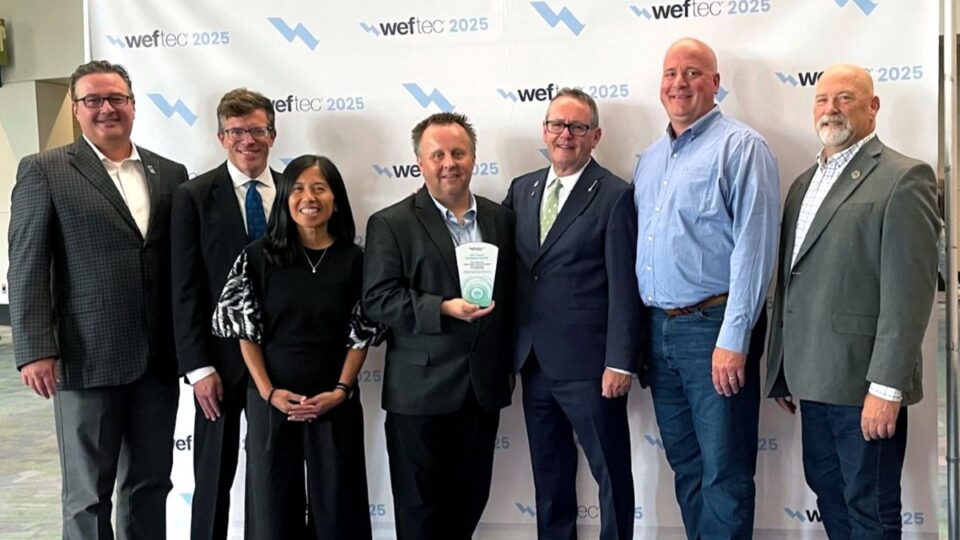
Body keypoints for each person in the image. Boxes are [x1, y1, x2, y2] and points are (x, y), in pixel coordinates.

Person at [8, 59, 188, 539]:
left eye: (116, 99)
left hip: (157, 359)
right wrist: (35, 348)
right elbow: (26, 264)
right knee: (87, 494)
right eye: (94, 100)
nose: (107, 108)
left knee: (150, 485)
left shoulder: (170, 174)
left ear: (133, 105)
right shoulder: (45, 170)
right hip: (85, 358)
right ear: (76, 108)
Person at [765, 64, 939, 539]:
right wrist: (780, 366)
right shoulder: (803, 183)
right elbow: (793, 280)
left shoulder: (906, 178)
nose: (831, 109)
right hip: (812, 378)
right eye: (822, 100)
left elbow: (910, 294)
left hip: (864, 385)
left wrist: (887, 388)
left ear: (873, 107)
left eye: (845, 98)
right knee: (828, 491)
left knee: (870, 508)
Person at [632, 38, 780, 538]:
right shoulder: (650, 159)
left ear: (715, 83)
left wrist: (734, 339)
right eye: (671, 72)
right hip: (660, 331)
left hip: (713, 330)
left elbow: (754, 251)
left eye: (693, 72)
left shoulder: (742, 147)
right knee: (688, 469)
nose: (680, 82)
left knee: (725, 473)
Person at [362, 112, 515, 540]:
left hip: (481, 390)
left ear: (473, 157)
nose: (449, 162)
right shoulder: (391, 223)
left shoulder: (500, 219)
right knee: (420, 516)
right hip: (419, 394)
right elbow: (377, 300)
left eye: (458, 152)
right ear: (419, 163)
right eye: (438, 155)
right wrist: (443, 308)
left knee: (468, 506)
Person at [212, 155, 380, 538]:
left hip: (334, 400)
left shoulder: (357, 261)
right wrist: (269, 393)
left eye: (320, 188)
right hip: (272, 401)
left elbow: (362, 333)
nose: (309, 197)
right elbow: (246, 333)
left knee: (339, 509)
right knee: (272, 511)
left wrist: (341, 390)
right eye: (299, 188)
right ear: (286, 197)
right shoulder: (256, 257)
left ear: (336, 200)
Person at [502, 88, 641, 540]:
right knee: (549, 476)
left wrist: (619, 360)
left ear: (595, 136)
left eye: (577, 127)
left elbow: (625, 286)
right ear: (544, 131)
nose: (565, 134)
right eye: (556, 125)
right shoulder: (522, 189)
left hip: (590, 365)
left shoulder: (616, 194)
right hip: (532, 361)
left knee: (611, 476)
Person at [170, 88, 279, 540]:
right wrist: (198, 367)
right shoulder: (193, 196)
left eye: (256, 129)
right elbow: (185, 287)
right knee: (212, 476)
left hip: (281, 360)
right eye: (236, 131)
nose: (247, 140)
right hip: (218, 364)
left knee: (273, 477)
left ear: (273, 134)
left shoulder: (298, 188)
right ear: (220, 137)